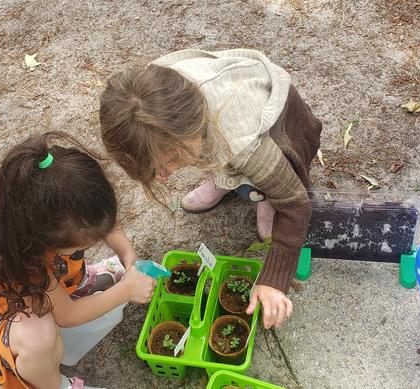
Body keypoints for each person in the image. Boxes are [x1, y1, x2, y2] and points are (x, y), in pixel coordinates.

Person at [99, 49, 322, 329]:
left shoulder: (242, 140)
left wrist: (273, 281)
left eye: (170, 161)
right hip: (217, 133)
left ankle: (263, 196)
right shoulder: (152, 98)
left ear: (193, 129)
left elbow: (295, 203)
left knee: (263, 183)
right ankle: (223, 180)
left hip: (282, 127)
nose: (164, 177)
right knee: (215, 158)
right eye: (157, 169)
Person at [0, 132, 156, 389]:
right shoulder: (24, 261)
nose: (91, 244)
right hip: (14, 333)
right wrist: (125, 290)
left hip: (54, 291)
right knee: (39, 335)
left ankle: (77, 285)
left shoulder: (62, 207)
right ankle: (56, 385)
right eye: (83, 244)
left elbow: (104, 222)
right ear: (46, 240)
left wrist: (127, 254)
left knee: (109, 290)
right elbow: (69, 316)